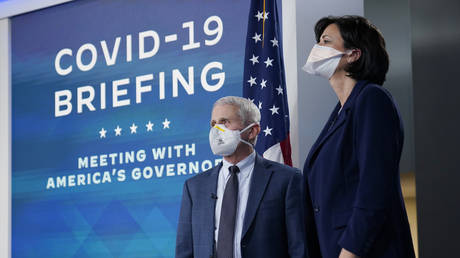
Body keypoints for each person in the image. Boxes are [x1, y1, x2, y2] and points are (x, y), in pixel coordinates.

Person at [301, 16, 416, 258]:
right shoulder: (340, 113)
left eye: (326, 41)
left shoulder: (372, 99)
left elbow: (374, 187)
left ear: (353, 54)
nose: (317, 48)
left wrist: (350, 252)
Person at [175, 96, 306, 258]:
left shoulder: (287, 179)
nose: (217, 130)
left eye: (225, 122)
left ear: (252, 131)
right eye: (213, 124)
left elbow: (299, 247)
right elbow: (185, 249)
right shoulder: (195, 186)